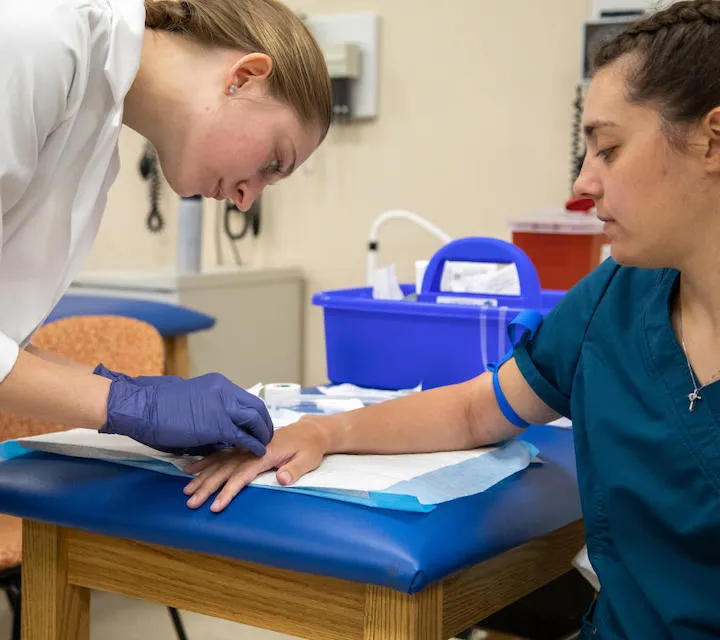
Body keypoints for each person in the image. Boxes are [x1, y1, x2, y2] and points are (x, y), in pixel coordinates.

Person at [184, 1, 720, 637]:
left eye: (608, 149)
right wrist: (328, 433)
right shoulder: (615, 299)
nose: (583, 183)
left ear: (712, 140)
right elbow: (475, 411)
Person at [0, 0, 332, 454]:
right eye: (273, 162)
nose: (246, 198)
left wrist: (129, 393)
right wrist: (128, 403)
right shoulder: (40, 36)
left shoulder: (94, 122)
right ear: (245, 76)